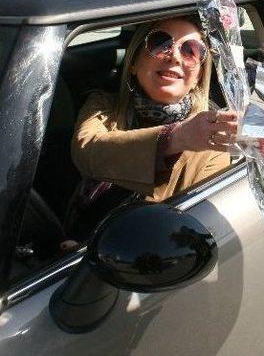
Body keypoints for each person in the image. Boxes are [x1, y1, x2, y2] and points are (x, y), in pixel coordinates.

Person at [67, 16, 238, 239]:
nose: (175, 57)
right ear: (134, 64)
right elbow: (85, 152)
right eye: (160, 43)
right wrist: (174, 138)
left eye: (191, 50)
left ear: (198, 77)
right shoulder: (104, 104)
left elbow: (182, 228)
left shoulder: (209, 140)